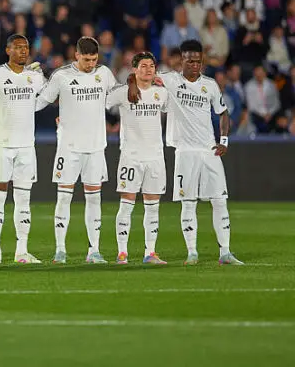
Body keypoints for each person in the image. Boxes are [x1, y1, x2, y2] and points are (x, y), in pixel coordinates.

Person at [35, 37, 123, 264]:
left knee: (94, 199)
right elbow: (41, 101)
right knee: (64, 198)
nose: (91, 64)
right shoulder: (61, 76)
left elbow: (119, 97)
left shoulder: (104, 73)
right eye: (86, 60)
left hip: (95, 147)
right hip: (69, 148)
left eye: (94, 59)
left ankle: (94, 251)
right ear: (76, 55)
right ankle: (60, 250)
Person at [157, 39, 243, 265]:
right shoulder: (170, 80)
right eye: (190, 61)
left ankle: (225, 252)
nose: (195, 65)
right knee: (188, 202)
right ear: (181, 60)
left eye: (198, 61)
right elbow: (144, 76)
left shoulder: (210, 85)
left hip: (208, 150)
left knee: (220, 200)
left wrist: (224, 140)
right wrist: (133, 82)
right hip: (185, 151)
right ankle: (192, 252)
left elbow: (223, 113)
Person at [0, 34, 46, 264]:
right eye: (18, 47)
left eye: (26, 47)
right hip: (2, 146)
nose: (23, 51)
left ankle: (21, 252)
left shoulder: (35, 77)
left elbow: (49, 97)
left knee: (23, 200)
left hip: (26, 147)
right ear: (8, 50)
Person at [106, 52, 170, 265]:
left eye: (151, 65)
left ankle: (150, 253)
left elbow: (175, 111)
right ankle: (122, 252)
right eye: (143, 65)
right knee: (126, 205)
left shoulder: (161, 93)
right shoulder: (123, 92)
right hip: (131, 157)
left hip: (155, 157)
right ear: (134, 69)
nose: (148, 69)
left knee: (153, 207)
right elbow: (99, 104)